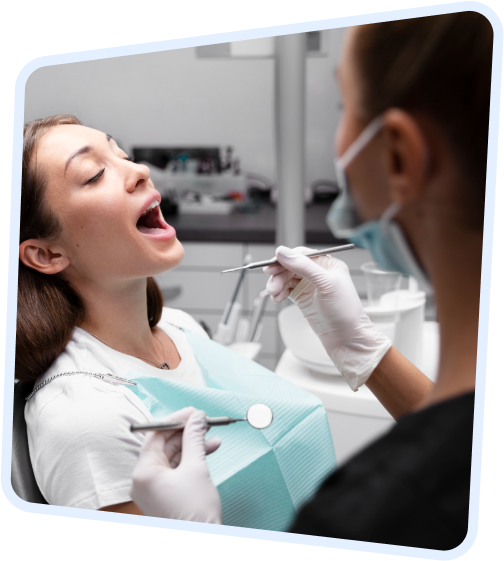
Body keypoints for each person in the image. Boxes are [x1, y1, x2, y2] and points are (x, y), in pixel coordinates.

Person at [130, 12, 492, 550]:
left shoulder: (372, 519)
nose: (138, 171)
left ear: (399, 155)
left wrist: (195, 539)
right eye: (93, 172)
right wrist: (366, 353)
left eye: (345, 106)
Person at [18, 115, 222, 514]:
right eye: (94, 174)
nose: (140, 170)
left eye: (122, 154)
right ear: (47, 254)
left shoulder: (182, 327)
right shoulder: (81, 417)